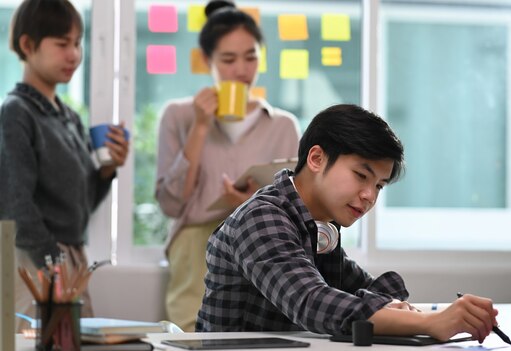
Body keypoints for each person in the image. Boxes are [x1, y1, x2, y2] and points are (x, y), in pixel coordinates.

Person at [196, 104, 499, 342]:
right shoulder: (261, 217)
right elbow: (312, 302)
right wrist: (430, 322)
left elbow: (367, 292)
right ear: (316, 159)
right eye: (361, 176)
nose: (369, 196)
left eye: (379, 186)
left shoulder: (318, 225)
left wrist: (432, 314)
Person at [156, 0, 300, 331]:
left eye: (251, 57)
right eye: (228, 59)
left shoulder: (282, 126)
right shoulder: (178, 116)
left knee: (262, 335)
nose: (241, 70)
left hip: (263, 243)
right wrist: (201, 126)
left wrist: (250, 207)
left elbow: (297, 205)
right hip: (195, 249)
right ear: (208, 61)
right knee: (192, 335)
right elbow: (171, 203)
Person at [0, 0, 129, 332]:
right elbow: (15, 204)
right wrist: (54, 264)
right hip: (32, 257)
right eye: (62, 44)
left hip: (68, 256)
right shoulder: (17, 112)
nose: (74, 54)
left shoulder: (70, 118)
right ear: (27, 45)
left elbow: (82, 206)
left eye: (77, 43)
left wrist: (106, 169)